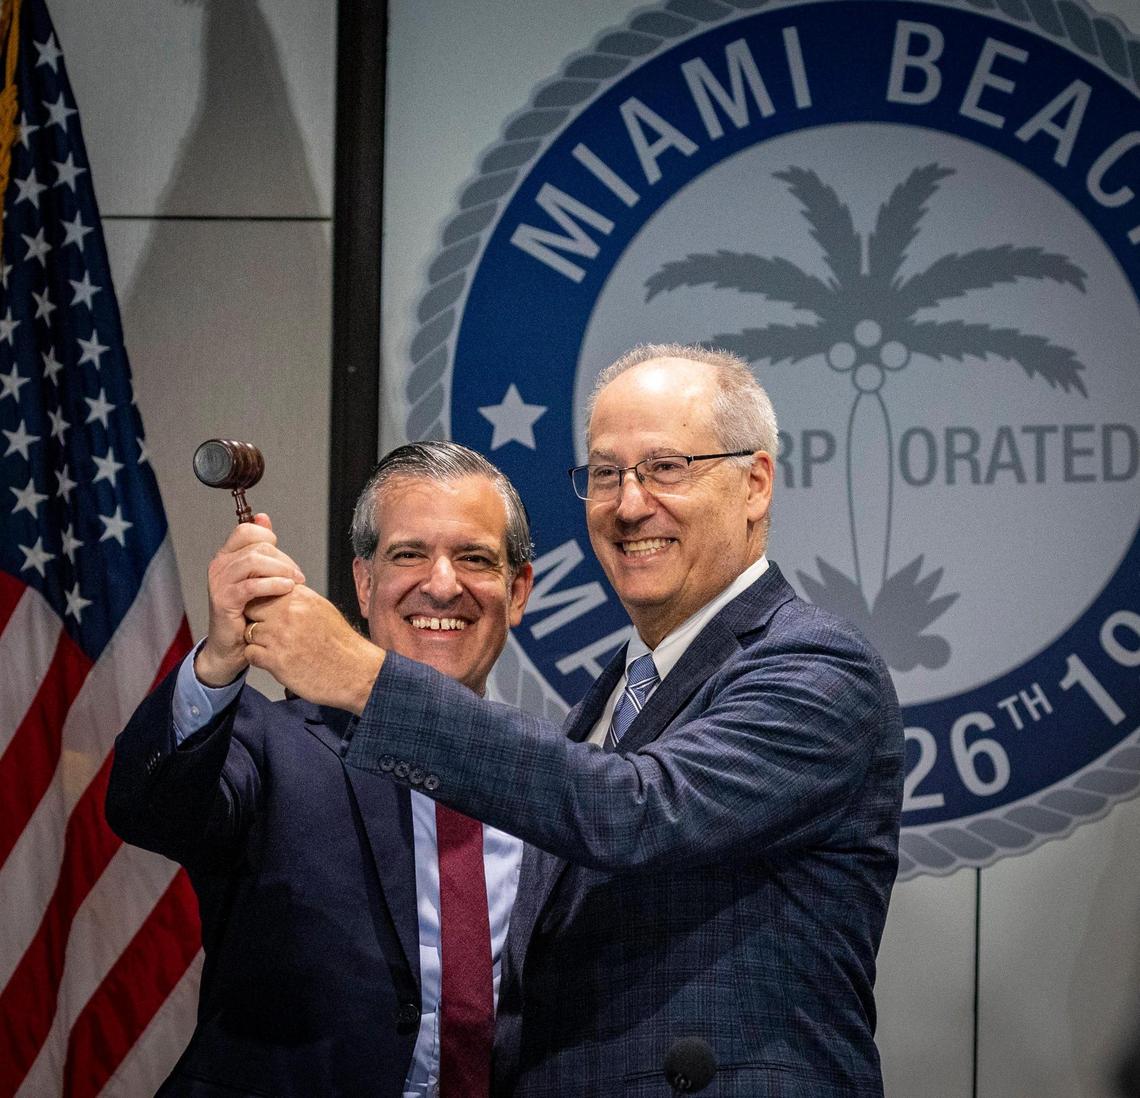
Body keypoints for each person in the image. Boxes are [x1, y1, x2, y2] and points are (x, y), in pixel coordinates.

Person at [242, 345, 905, 1097]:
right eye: (605, 474)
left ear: (754, 485)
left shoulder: (815, 664)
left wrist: (365, 677)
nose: (628, 504)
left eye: (666, 468)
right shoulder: (611, 698)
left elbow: (636, 811)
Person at [105, 442, 535, 1098]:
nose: (442, 583)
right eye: (409, 554)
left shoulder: (558, 780)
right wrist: (220, 659)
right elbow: (148, 806)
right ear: (364, 584)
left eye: (474, 557)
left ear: (519, 590)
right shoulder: (266, 743)